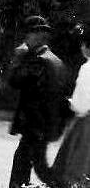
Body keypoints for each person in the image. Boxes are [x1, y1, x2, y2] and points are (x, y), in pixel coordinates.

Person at [8, 15, 69, 188]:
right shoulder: (55, 60)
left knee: (35, 167)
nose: (26, 38)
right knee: (30, 165)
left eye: (28, 34)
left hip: (34, 127)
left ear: (37, 36)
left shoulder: (38, 61)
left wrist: (18, 57)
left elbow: (15, 80)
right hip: (43, 126)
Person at [53, 25, 90, 183]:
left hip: (85, 121)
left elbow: (81, 101)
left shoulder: (87, 68)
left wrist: (72, 104)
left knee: (75, 166)